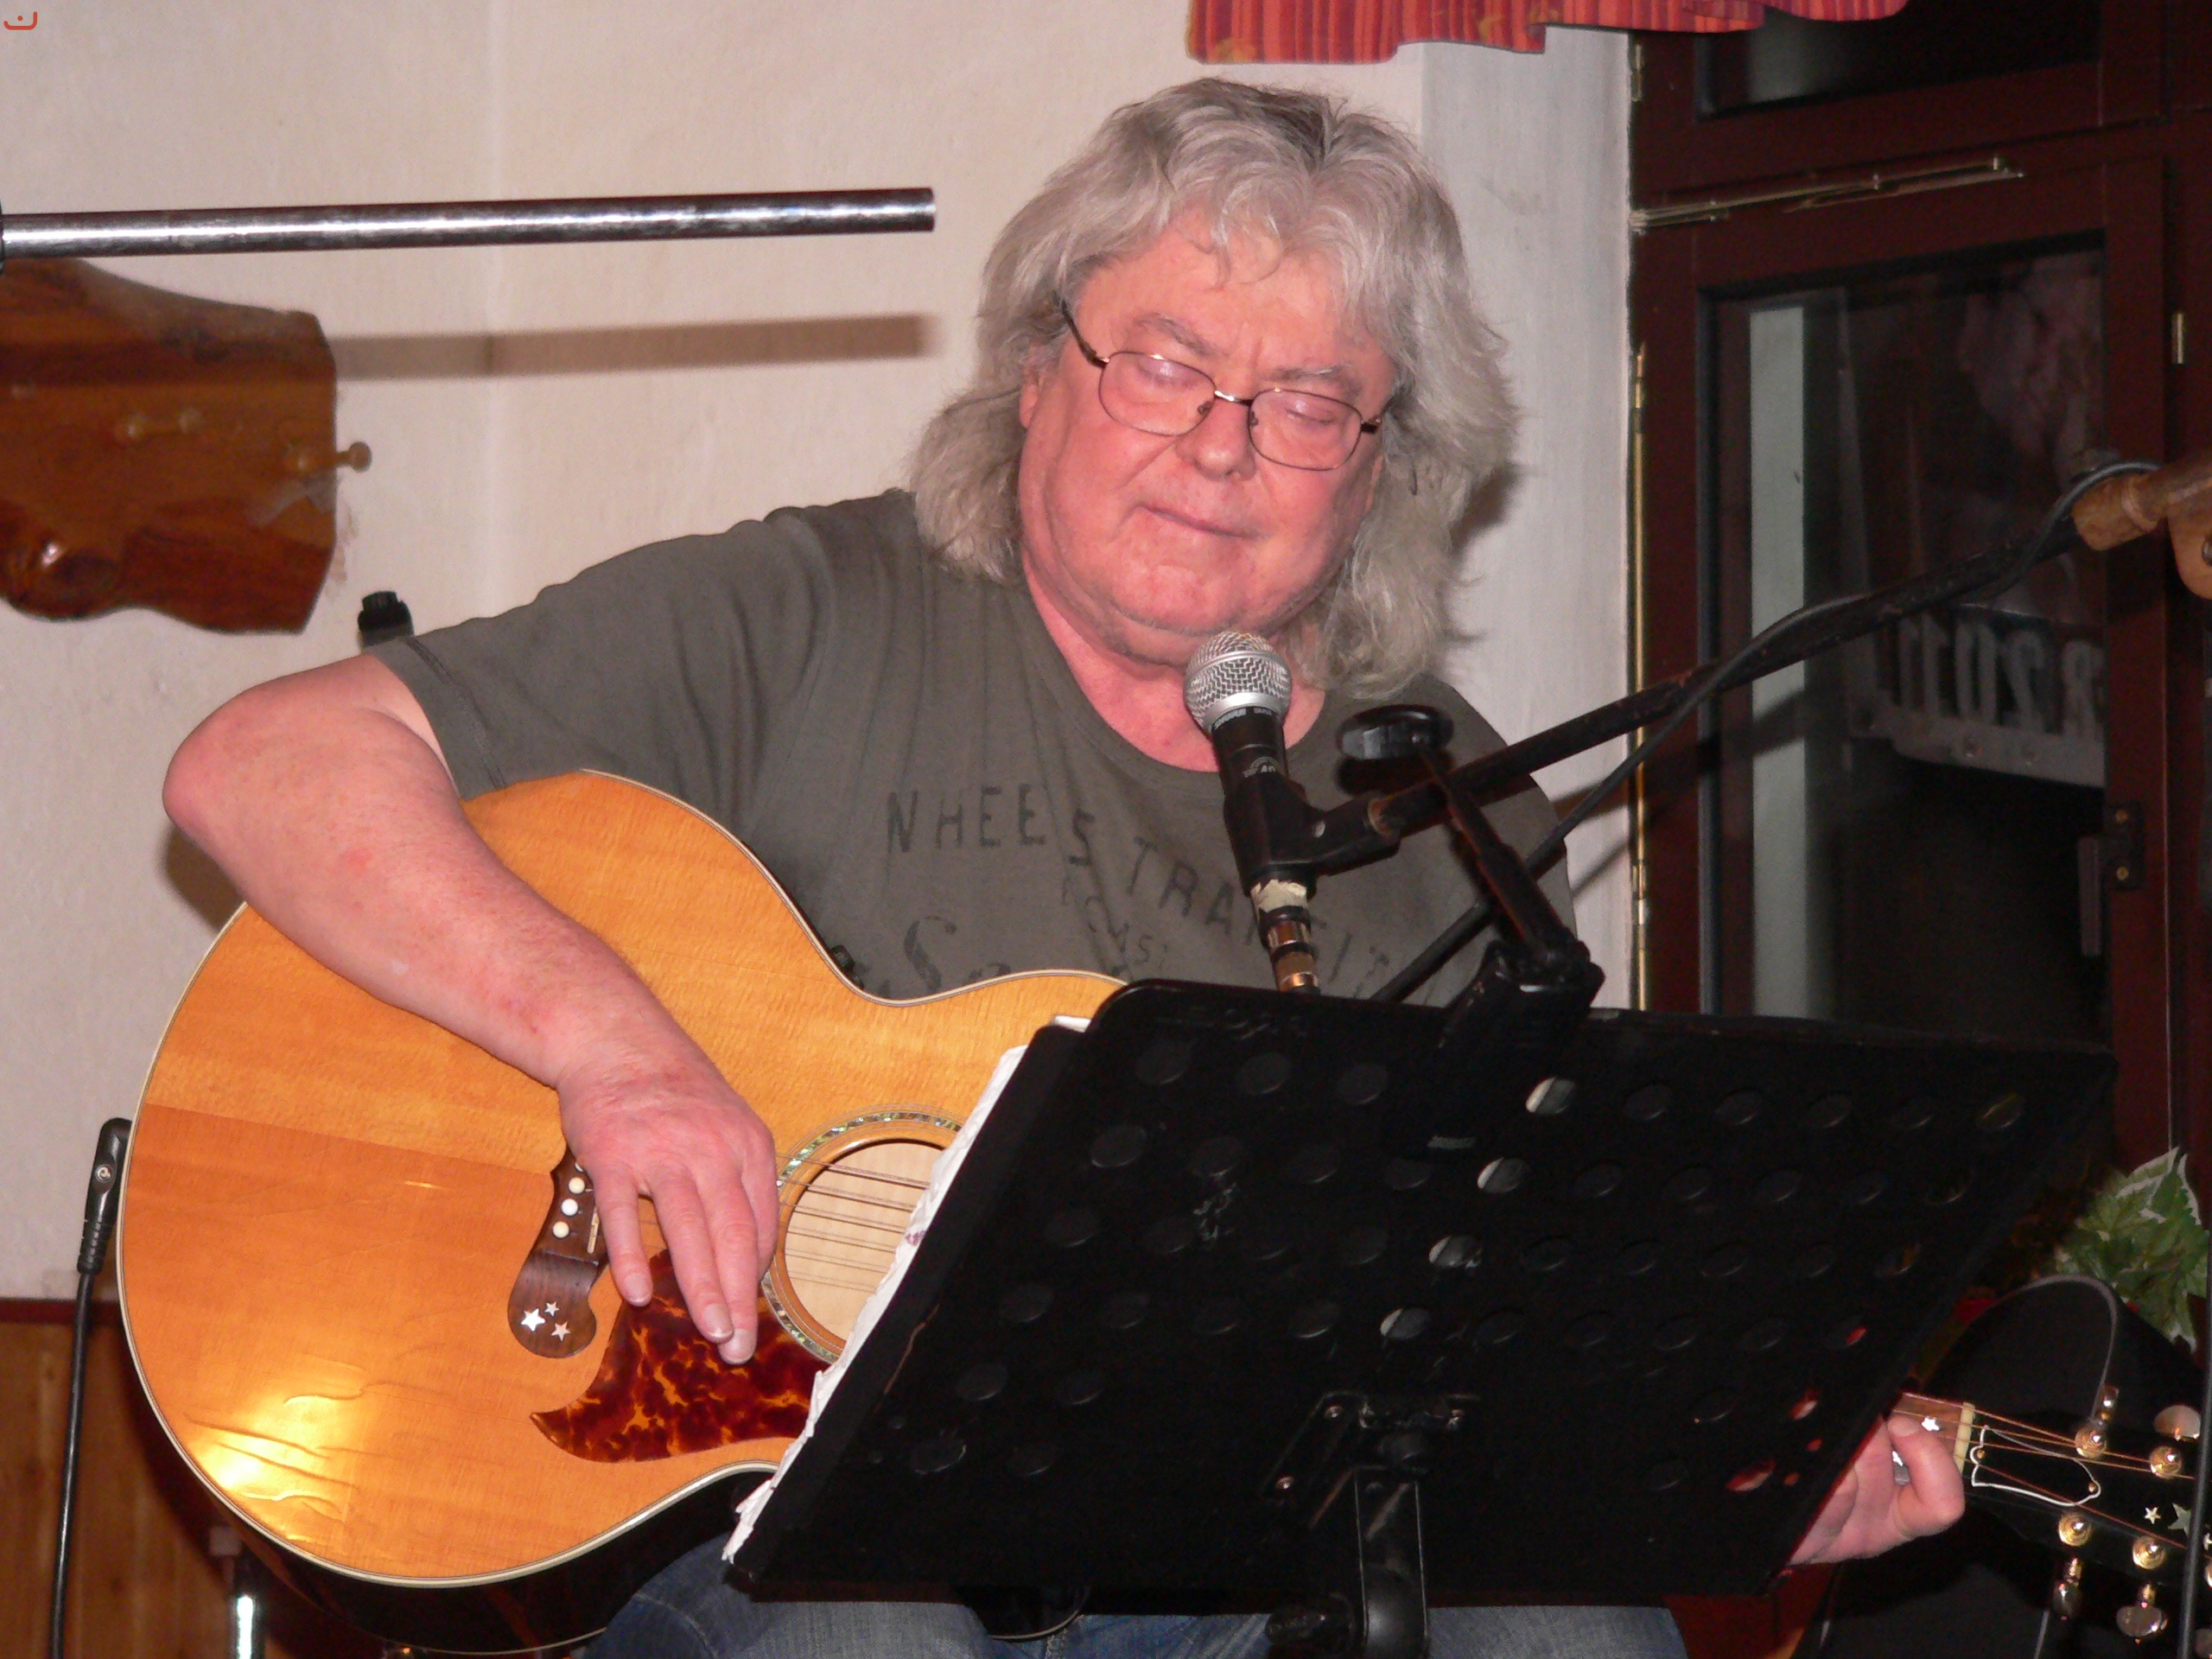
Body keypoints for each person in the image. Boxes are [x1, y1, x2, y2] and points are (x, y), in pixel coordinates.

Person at [162, 79, 1962, 1659]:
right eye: (1165, 363)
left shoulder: (1445, 808)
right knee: (867, 1633)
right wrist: (612, 1045)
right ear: (1040, 372)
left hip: (1228, 1577)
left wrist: (1722, 1454)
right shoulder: (810, 616)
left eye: (1305, 402)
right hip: (749, 1533)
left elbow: (1475, 1323)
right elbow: (262, 766)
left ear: (1379, 474)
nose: (1219, 444)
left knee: (1567, 1631)